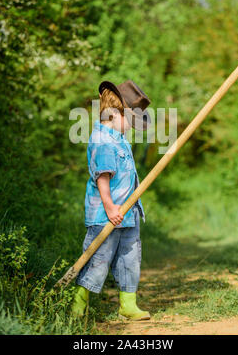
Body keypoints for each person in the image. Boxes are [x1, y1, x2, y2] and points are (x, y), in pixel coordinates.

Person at [72, 79, 152, 321]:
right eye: (131, 121)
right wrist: (109, 207)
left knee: (130, 259)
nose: (131, 126)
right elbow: (102, 178)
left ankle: (128, 305)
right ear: (116, 114)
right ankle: (78, 304)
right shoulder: (103, 140)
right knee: (98, 260)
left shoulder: (119, 138)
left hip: (127, 214)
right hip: (106, 215)